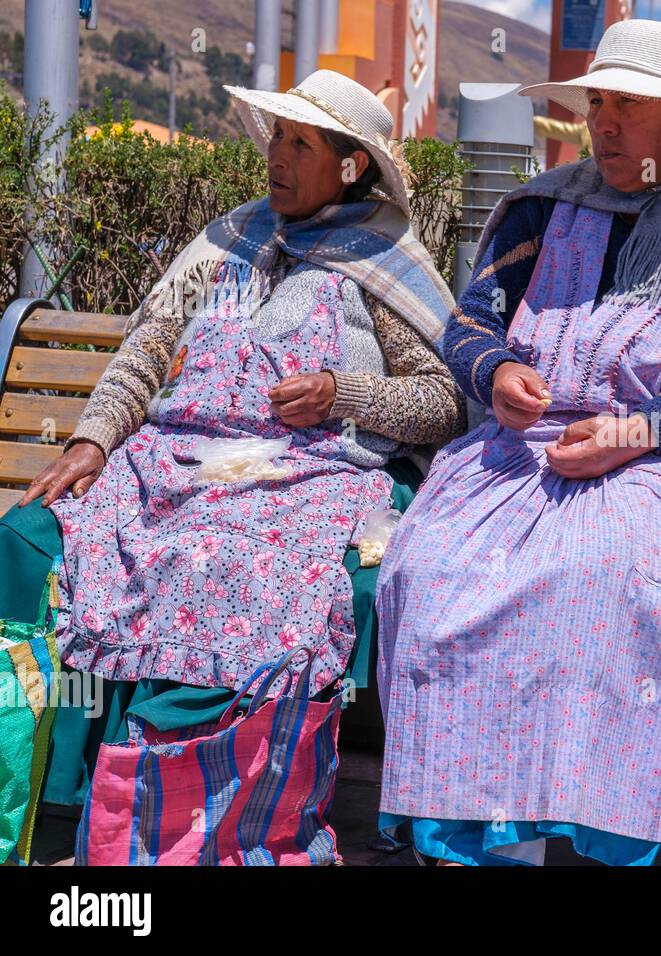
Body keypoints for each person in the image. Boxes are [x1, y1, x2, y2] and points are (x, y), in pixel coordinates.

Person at [375, 19, 661, 866]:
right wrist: (497, 373)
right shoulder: (548, 207)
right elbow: (471, 321)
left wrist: (638, 431)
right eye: (597, 104)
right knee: (432, 570)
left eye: (631, 106)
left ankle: (596, 824)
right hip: (523, 454)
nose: (606, 125)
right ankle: (487, 838)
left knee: (599, 580)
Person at [0, 70, 464, 809]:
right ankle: (66, 791)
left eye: (301, 144)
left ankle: (195, 793)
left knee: (220, 557)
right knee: (40, 532)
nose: (277, 155)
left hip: (308, 477)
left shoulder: (385, 261)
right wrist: (91, 441)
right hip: (172, 464)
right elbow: (147, 354)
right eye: (277, 136)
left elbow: (445, 402)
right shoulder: (229, 240)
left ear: (351, 165)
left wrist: (341, 393)